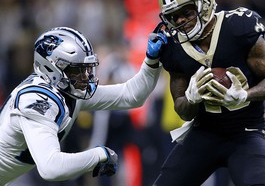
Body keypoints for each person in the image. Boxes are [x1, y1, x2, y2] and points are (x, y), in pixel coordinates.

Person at [151, 0, 265, 186]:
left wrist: (244, 95)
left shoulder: (237, 27)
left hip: (246, 132)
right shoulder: (174, 48)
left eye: (185, 12)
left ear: (204, 3)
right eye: (173, 16)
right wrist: (191, 98)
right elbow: (182, 110)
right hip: (204, 133)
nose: (180, 21)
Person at [0, 26, 167, 185]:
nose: (84, 77)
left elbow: (131, 96)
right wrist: (99, 155)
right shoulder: (37, 100)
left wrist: (151, 62)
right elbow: (51, 168)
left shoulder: (66, 89)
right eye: (76, 70)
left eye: (86, 69)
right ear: (51, 68)